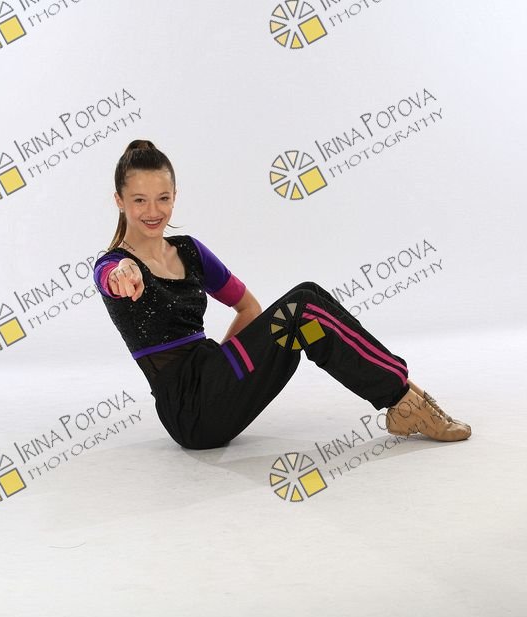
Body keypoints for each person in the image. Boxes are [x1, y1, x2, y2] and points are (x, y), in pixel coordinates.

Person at [93, 140, 471, 450]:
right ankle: (404, 398)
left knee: (308, 309)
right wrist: (123, 272)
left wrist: (227, 363)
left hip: (214, 382)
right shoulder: (113, 266)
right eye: (139, 200)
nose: (153, 210)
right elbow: (110, 276)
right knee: (302, 309)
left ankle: (403, 399)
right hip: (190, 413)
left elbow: (248, 307)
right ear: (119, 201)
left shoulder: (188, 250)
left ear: (175, 197)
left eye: (162, 198)